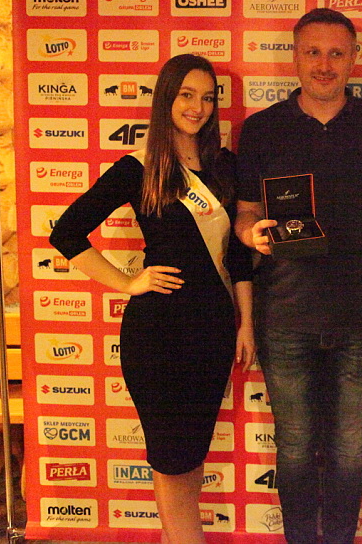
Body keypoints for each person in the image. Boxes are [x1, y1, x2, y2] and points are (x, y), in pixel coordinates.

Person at [49, 54, 254, 544]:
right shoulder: (138, 168)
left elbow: (238, 256)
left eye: (207, 98)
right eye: (186, 95)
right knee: (171, 459)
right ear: (166, 98)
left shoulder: (225, 165)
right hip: (159, 334)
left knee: (192, 456)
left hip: (213, 330)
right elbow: (66, 232)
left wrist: (246, 322)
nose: (197, 107)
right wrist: (126, 282)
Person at [234, 8, 362, 544]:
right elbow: (245, 213)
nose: (324, 64)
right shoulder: (261, 129)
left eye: (336, 53)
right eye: (312, 52)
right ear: (294, 56)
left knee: (346, 446)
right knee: (293, 446)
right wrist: (250, 234)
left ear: (354, 58)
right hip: (283, 315)